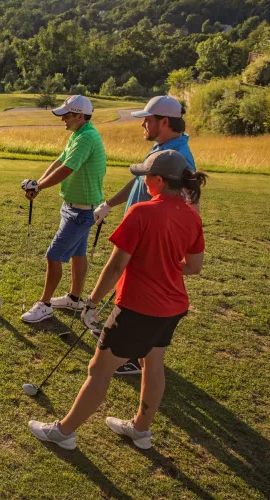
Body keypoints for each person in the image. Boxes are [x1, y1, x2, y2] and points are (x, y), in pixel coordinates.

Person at [27, 150, 207, 450]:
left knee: (100, 369)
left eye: (146, 176)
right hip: (173, 307)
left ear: (159, 181)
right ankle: (140, 429)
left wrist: (92, 303)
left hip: (138, 308)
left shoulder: (142, 212)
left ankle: (64, 432)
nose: (143, 181)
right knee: (153, 364)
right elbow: (194, 266)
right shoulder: (191, 214)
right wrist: (162, 263)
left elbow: (115, 266)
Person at [92, 95, 195, 376]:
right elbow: (139, 178)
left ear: (164, 122)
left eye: (147, 120)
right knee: (125, 291)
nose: (143, 125)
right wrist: (110, 204)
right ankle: (126, 346)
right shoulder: (161, 147)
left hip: (150, 237)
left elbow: (184, 209)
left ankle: (127, 355)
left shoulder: (179, 158)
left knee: (136, 299)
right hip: (138, 231)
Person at [19, 95, 107, 324]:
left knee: (53, 255)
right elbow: (60, 161)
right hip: (74, 207)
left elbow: (67, 169)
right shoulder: (79, 134)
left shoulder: (86, 137)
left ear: (79, 116)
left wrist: (40, 186)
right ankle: (74, 299)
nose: (63, 120)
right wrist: (38, 183)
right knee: (78, 254)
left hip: (81, 211)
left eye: (66, 116)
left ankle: (45, 304)